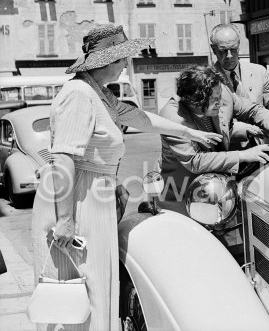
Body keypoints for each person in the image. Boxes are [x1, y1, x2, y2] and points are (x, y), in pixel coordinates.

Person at [31, 24, 222, 331]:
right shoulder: (78, 94)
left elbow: (140, 118)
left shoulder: (100, 94)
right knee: (80, 290)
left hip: (94, 197)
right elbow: (64, 156)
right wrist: (65, 219)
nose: (125, 66)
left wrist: (189, 131)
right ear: (103, 61)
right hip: (77, 202)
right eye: (121, 60)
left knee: (98, 285)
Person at [158, 64, 269, 214]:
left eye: (220, 96)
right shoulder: (172, 118)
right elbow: (195, 161)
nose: (221, 102)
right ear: (195, 101)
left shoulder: (222, 94)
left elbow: (253, 109)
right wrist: (243, 155)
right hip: (181, 195)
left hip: (220, 191)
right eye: (215, 100)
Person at [210, 23, 269, 142]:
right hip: (232, 154)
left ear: (239, 46)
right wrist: (244, 130)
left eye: (233, 49)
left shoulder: (259, 71)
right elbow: (212, 127)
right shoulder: (208, 80)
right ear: (213, 50)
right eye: (223, 51)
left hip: (265, 148)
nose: (229, 56)